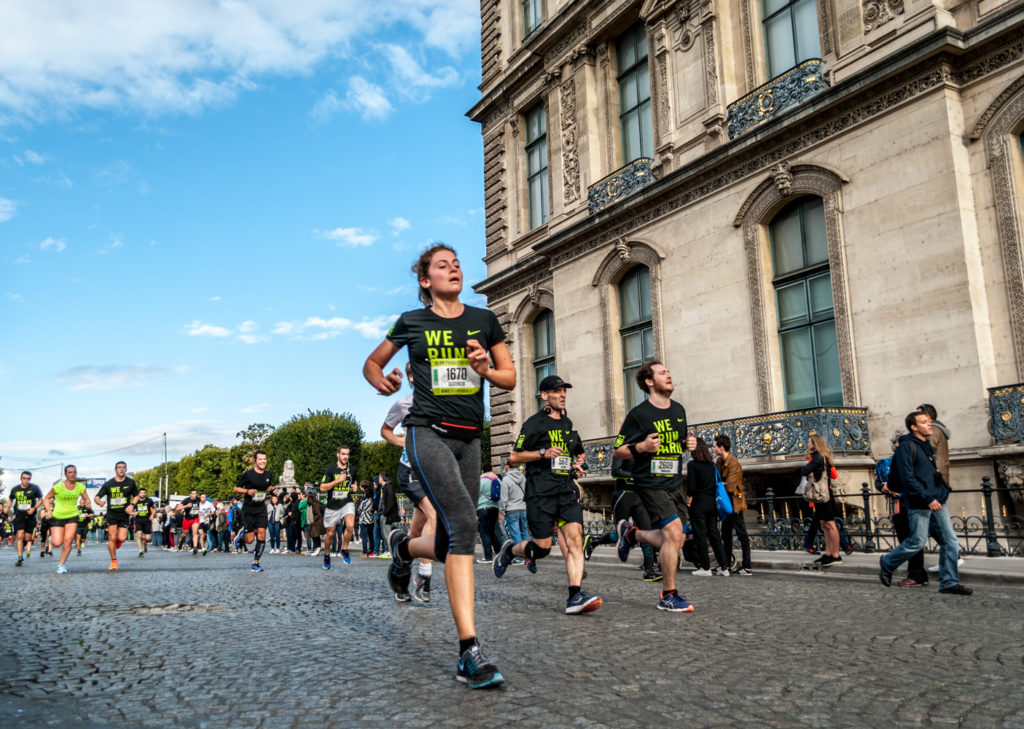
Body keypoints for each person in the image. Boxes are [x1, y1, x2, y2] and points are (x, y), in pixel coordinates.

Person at [363, 242, 515, 688]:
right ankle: (469, 651)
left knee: (451, 542)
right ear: (426, 281)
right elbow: (373, 362)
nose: (454, 269)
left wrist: (486, 368)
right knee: (466, 523)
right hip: (426, 430)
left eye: (457, 264)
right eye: (442, 265)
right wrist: (383, 380)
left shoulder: (483, 320)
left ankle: (403, 549)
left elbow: (508, 377)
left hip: (470, 439)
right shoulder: (413, 322)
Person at [493, 375, 602, 615]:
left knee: (574, 539)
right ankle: (510, 550)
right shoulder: (534, 424)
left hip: (565, 490)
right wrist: (543, 452)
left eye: (564, 391)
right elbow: (514, 457)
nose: (563, 395)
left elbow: (568, 456)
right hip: (540, 493)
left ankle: (575, 595)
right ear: (544, 396)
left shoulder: (567, 423)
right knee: (542, 548)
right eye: (557, 391)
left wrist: (576, 464)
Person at [612, 361, 696, 613]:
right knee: (673, 531)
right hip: (649, 483)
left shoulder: (679, 410)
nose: (668, 375)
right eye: (662, 373)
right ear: (649, 382)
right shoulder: (639, 414)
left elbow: (676, 443)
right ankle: (668, 594)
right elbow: (618, 450)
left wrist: (687, 444)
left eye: (668, 371)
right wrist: (641, 448)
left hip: (673, 483)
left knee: (677, 538)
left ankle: (631, 534)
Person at [880, 412, 971, 595]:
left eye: (929, 421)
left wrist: (943, 491)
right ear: (914, 427)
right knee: (917, 541)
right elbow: (908, 479)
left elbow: (932, 474)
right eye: (924, 422)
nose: (930, 425)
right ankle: (888, 562)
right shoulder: (906, 447)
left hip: (937, 500)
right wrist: (927, 498)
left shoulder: (926, 446)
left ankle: (949, 582)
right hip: (920, 502)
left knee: (950, 541)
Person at [381, 373, 437, 601]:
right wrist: (400, 441)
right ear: (413, 377)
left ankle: (399, 567)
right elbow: (385, 430)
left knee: (415, 532)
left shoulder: (442, 402)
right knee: (435, 515)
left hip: (432, 471)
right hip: (410, 470)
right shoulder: (403, 404)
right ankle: (424, 577)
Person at [686, 438, 729, 576]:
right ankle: (724, 567)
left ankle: (705, 567)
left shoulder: (692, 465)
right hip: (712, 503)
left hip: (698, 504)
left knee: (700, 535)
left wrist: (688, 502)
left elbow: (691, 488)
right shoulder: (712, 465)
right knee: (714, 534)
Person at [41, 465, 93, 573]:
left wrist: (88, 503)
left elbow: (86, 498)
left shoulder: (80, 486)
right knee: (56, 543)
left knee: (68, 541)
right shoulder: (59, 486)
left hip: (72, 516)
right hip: (58, 516)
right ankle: (52, 539)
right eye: (70, 472)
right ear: (66, 474)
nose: (72, 474)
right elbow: (46, 498)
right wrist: (48, 511)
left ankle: (61, 564)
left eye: (74, 472)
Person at [801, 435, 842, 568]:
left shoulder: (818, 457)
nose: (807, 443)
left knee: (830, 524)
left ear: (815, 444)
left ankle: (836, 554)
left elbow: (804, 470)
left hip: (825, 496)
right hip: (822, 495)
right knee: (824, 523)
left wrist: (810, 472)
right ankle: (828, 552)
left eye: (809, 441)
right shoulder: (822, 457)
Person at [714, 435, 752, 575]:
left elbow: (730, 486)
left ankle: (747, 566)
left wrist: (720, 484)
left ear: (721, 448)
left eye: (715, 446)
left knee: (742, 534)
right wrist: (721, 484)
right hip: (725, 503)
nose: (713, 449)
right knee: (726, 534)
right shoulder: (719, 461)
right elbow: (716, 479)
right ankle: (726, 564)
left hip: (735, 503)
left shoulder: (734, 463)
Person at [233, 450, 277, 572]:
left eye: (265, 459)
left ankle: (256, 562)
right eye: (260, 459)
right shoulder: (248, 474)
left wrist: (272, 490)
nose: (263, 461)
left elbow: (267, 487)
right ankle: (241, 537)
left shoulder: (268, 474)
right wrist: (247, 491)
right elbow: (235, 488)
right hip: (248, 509)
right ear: (255, 461)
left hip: (261, 508)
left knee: (262, 533)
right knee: (250, 540)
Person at [93, 461, 140, 570]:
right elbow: (97, 497)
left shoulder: (131, 482)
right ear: (115, 470)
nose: (121, 469)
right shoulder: (109, 484)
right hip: (111, 514)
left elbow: (136, 496)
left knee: (122, 538)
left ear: (126, 469)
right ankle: (114, 560)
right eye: (119, 467)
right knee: (112, 537)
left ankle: (116, 544)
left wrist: (132, 505)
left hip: (124, 514)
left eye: (123, 467)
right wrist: (99, 502)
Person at [319, 445, 356, 568]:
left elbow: (354, 482)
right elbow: (322, 487)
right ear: (338, 454)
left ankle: (344, 549)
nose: (345, 456)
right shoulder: (330, 470)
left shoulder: (352, 469)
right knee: (330, 533)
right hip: (333, 505)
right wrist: (337, 481)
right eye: (343, 454)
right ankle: (327, 555)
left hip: (347, 502)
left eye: (347, 454)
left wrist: (354, 487)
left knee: (350, 526)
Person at [8, 471, 43, 567]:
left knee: (27, 538)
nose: (26, 480)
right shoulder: (15, 489)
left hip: (30, 516)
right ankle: (20, 557)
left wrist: (34, 508)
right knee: (19, 535)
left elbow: (41, 500)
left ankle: (22, 546)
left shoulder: (35, 488)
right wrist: (7, 507)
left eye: (28, 478)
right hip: (19, 515)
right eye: (24, 478)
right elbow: (10, 499)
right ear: (21, 478)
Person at [498, 462, 527, 561]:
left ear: (507, 466)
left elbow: (504, 498)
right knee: (524, 532)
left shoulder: (506, 479)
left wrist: (501, 511)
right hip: (523, 508)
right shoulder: (523, 478)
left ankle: (520, 557)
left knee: (515, 534)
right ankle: (528, 555)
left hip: (512, 510)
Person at [475, 468, 502, 564]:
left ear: (482, 470)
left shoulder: (481, 480)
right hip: (494, 508)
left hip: (483, 508)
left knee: (484, 532)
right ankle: (500, 555)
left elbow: (475, 494)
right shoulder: (497, 479)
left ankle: (488, 557)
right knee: (493, 532)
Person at [175, 489, 203, 554]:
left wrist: (199, 512)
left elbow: (198, 506)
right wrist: (186, 506)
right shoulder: (186, 500)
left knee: (195, 532)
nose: (194, 495)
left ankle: (195, 548)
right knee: (185, 534)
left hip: (195, 519)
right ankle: (181, 542)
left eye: (195, 493)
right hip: (187, 519)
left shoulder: (198, 500)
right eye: (193, 494)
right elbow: (177, 509)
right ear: (190, 494)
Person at [134, 487, 156, 557]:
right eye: (141, 493)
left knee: (148, 538)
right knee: (139, 534)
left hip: (147, 521)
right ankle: (140, 551)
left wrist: (152, 515)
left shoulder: (149, 500)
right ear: (139, 493)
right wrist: (133, 513)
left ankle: (142, 538)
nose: (143, 494)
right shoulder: (135, 501)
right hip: (139, 521)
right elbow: (130, 510)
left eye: (144, 493)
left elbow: (155, 508)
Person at [357, 481, 376, 557]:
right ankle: (371, 550)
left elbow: (359, 509)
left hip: (363, 520)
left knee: (364, 537)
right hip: (370, 520)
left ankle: (364, 552)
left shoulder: (364, 501)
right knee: (371, 537)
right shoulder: (372, 501)